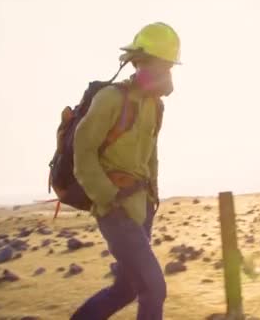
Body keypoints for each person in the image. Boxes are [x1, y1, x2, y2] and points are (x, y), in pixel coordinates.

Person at [70, 22, 180, 320]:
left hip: (142, 209)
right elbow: (83, 152)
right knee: (153, 289)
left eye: (169, 66)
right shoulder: (111, 99)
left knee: (126, 290)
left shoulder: (156, 107)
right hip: (115, 209)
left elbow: (151, 154)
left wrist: (153, 197)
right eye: (160, 64)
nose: (165, 72)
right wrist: (109, 198)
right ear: (139, 61)